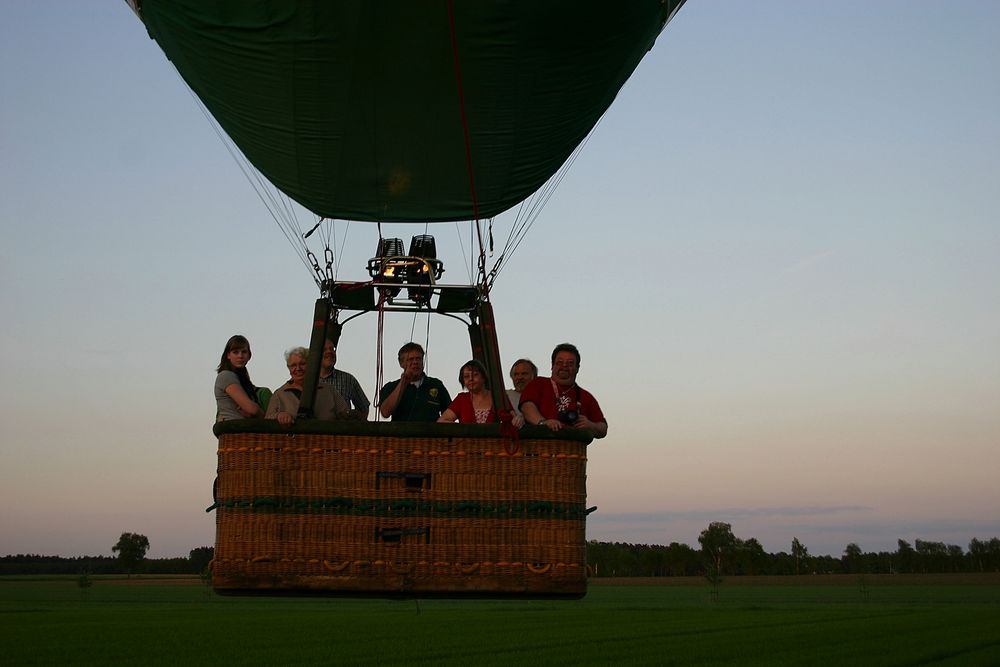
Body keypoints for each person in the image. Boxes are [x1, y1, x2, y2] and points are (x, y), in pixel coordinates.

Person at [519, 343, 607, 439]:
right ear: (552, 366)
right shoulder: (538, 384)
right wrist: (543, 423)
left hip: (572, 451)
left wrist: (590, 425)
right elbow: (526, 407)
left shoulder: (585, 396)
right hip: (540, 448)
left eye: (570, 363)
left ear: (577, 368)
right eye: (560, 362)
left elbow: (603, 428)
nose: (564, 366)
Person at [266, 346, 349, 425]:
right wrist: (278, 416)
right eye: (293, 365)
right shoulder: (279, 394)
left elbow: (346, 415)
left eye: (302, 364)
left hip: (326, 439)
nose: (298, 368)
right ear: (289, 368)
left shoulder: (329, 390)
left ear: (311, 365)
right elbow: (267, 420)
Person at [378, 342, 452, 421]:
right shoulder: (391, 387)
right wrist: (403, 383)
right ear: (401, 363)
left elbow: (450, 414)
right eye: (410, 359)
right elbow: (385, 413)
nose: (415, 362)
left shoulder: (436, 384)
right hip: (401, 433)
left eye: (418, 359)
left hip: (431, 433)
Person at [438, 360, 523, 427]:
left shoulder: (498, 397)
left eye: (475, 375)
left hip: (495, 445)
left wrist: (519, 419)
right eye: (466, 376)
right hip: (466, 446)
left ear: (483, 377)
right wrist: (461, 428)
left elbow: (514, 419)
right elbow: (441, 421)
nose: (471, 379)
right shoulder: (461, 399)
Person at [215, 334, 264, 421]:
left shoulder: (243, 379)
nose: (240, 356)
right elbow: (251, 409)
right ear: (228, 355)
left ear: (249, 355)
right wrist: (262, 414)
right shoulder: (226, 376)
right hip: (234, 429)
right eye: (235, 352)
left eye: (244, 352)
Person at [319, 339, 370, 418]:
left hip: (341, 429)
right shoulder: (305, 381)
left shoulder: (348, 379)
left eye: (332, 349)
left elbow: (364, 408)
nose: (330, 352)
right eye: (324, 349)